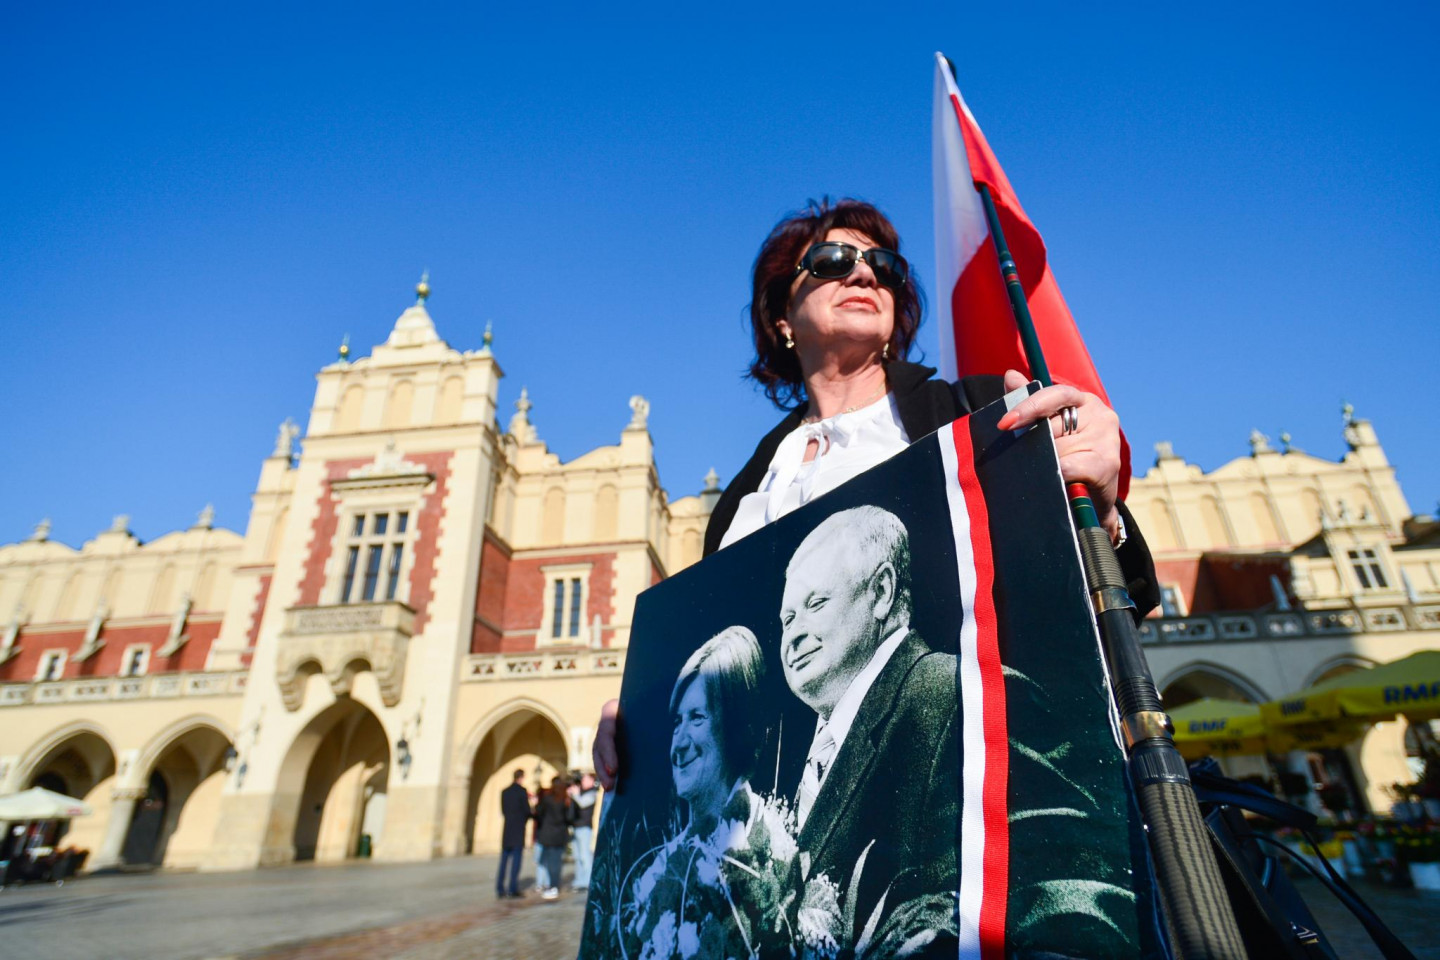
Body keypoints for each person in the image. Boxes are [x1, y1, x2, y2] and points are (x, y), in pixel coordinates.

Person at [593, 197, 1158, 788]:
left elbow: (1104, 605)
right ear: (783, 317)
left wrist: (1099, 506)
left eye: (884, 267)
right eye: (833, 260)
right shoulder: (743, 494)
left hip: (982, 781)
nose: (864, 274)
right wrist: (642, 722)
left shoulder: (974, 414)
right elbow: (729, 662)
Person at [780, 506, 958, 950]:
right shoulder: (798, 758)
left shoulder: (956, 693)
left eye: (815, 604)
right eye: (787, 619)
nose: (793, 636)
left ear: (881, 591)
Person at [532, 777, 572, 900]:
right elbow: (570, 818)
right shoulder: (565, 800)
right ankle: (554, 885)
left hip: (548, 834)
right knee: (557, 862)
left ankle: (553, 886)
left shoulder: (547, 799)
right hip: (560, 834)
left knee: (550, 862)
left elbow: (538, 813)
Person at [496, 768, 529, 898]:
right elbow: (527, 811)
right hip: (518, 829)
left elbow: (503, 811)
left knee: (503, 861)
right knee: (516, 861)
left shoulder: (505, 792)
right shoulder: (522, 791)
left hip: (507, 829)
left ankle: (500, 888)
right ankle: (512, 888)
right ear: (521, 778)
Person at [567, 772, 598, 891]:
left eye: (585, 780)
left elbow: (583, 803)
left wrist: (575, 794)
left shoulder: (593, 792)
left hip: (585, 828)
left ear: (592, 781)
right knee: (577, 856)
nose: (582, 782)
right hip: (576, 827)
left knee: (585, 856)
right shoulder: (581, 792)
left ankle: (588, 881)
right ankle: (579, 881)